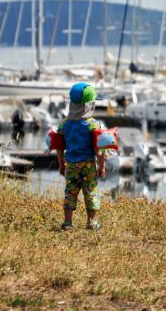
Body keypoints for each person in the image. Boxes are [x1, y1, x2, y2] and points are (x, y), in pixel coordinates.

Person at [55, 82, 107, 230]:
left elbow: (59, 147)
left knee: (70, 192)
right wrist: (102, 166)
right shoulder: (94, 125)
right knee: (91, 191)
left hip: (71, 165)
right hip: (88, 165)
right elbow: (99, 148)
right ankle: (91, 222)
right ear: (90, 105)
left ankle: (68, 222)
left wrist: (61, 164)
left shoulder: (64, 125)